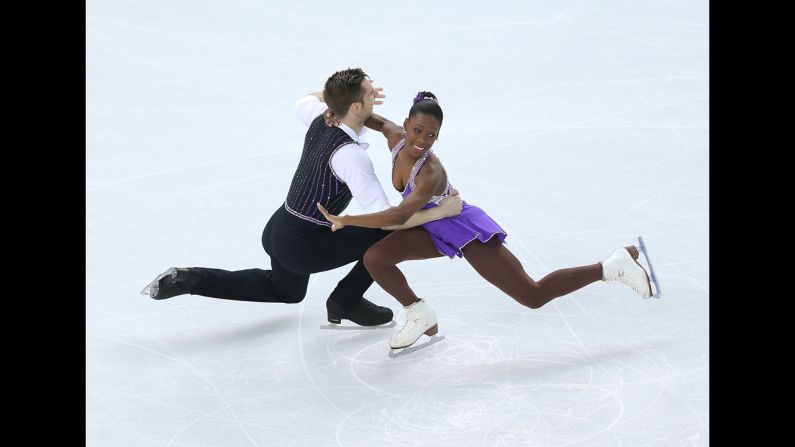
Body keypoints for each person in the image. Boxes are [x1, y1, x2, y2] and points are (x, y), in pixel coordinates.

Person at [317, 91, 656, 348]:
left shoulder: (431, 172)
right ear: (406, 125)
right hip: (429, 228)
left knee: (532, 295)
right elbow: (372, 119)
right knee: (376, 257)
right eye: (417, 130)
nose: (422, 140)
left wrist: (348, 220)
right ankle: (420, 315)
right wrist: (337, 113)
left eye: (431, 135)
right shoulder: (395, 137)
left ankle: (611, 266)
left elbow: (399, 215)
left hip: (462, 229)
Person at [140, 70, 462, 327]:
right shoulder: (351, 157)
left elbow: (305, 99)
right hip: (303, 248)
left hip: (278, 228)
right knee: (389, 234)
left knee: (287, 291)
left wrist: (338, 99)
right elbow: (391, 218)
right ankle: (345, 301)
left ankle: (190, 278)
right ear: (355, 107)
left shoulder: (319, 116)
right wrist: (441, 211)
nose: (373, 97)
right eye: (368, 94)